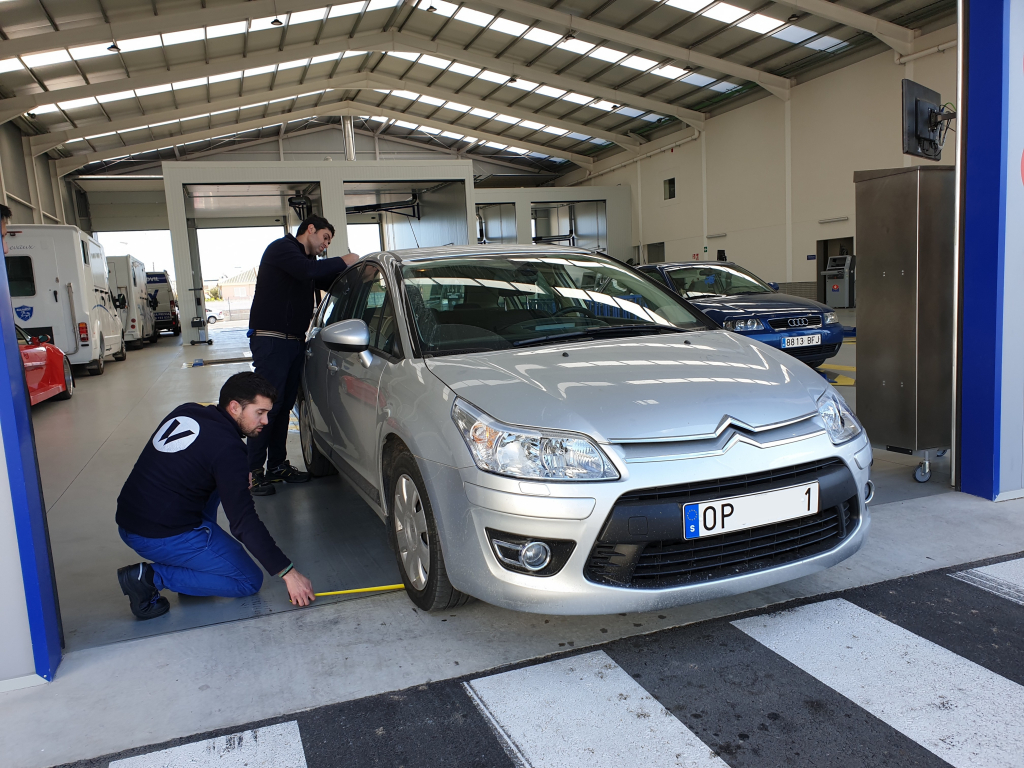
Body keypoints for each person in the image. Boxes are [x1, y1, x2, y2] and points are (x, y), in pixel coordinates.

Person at [115, 372, 315, 620]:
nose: (265, 420)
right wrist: (288, 572)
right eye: (259, 412)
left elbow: (189, 464)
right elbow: (243, 521)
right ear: (234, 407)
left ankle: (192, 570)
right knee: (248, 581)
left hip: (131, 518)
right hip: (157, 535)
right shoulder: (229, 449)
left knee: (222, 483)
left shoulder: (189, 410)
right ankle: (150, 577)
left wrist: (236, 477)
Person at [247, 215, 359, 495]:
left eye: (329, 243)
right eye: (324, 238)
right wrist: (346, 259)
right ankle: (251, 472)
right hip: (272, 342)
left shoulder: (304, 266)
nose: (325, 246)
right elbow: (309, 272)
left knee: (283, 407)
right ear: (310, 229)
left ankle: (276, 465)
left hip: (294, 342)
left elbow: (327, 281)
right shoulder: (282, 249)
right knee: (266, 407)